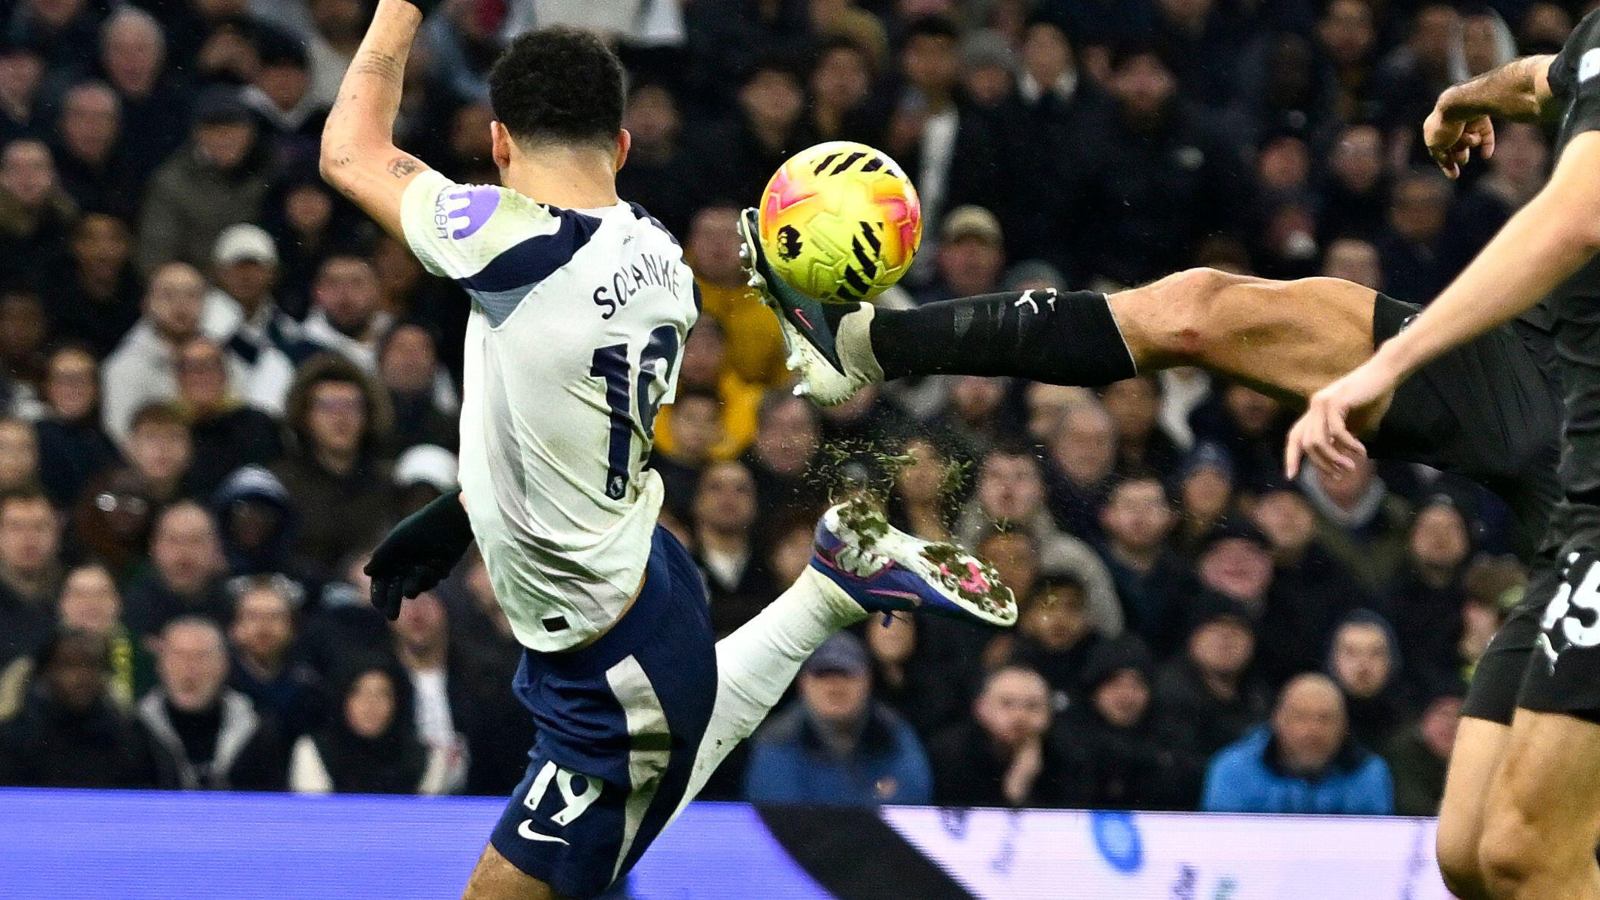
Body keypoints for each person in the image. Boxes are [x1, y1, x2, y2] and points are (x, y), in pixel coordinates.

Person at [319, 8, 1014, 898]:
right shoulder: (663, 257)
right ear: (623, 143)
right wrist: (469, 510)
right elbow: (564, 412)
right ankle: (832, 587)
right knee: (649, 782)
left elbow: (349, 152)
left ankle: (832, 589)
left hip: (610, 663)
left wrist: (401, 9)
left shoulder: (505, 239)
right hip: (645, 585)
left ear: (497, 144)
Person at [1284, 19, 1600, 895]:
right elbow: (1548, 79)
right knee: (1468, 852)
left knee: (1523, 852)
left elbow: (1573, 223)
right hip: (1580, 520)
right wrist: (1462, 98)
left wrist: (1381, 368)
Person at [742, 633, 933, 806]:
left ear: (867, 680)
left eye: (846, 674)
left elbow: (913, 799)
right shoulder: (778, 738)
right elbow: (777, 815)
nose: (835, 687)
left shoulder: (893, 732)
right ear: (803, 682)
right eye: (823, 675)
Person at [1202, 673, 1394, 815]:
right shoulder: (1233, 770)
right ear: (1278, 721)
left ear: (1344, 725)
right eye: (1300, 717)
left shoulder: (1369, 774)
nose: (1312, 730)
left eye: (1325, 719)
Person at [137, 616, 284, 791]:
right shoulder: (135, 732)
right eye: (178, 656)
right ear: (160, 665)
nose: (189, 668)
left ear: (223, 665)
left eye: (201, 657)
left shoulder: (258, 732)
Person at [0, 629, 155, 788]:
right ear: (46, 672)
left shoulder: (130, 739)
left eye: (92, 665)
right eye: (69, 666)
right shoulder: (14, 739)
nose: (82, 677)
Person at [926, 664, 1085, 809]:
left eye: (1033, 706)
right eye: (1007, 703)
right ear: (980, 708)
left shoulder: (1068, 754)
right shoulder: (950, 753)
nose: (1020, 716)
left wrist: (1021, 787)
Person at [288, 659, 452, 795]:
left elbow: (425, 826)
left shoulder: (426, 760)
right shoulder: (313, 751)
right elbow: (315, 822)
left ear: (398, 703)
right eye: (359, 692)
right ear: (342, 699)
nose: (370, 704)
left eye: (382, 694)